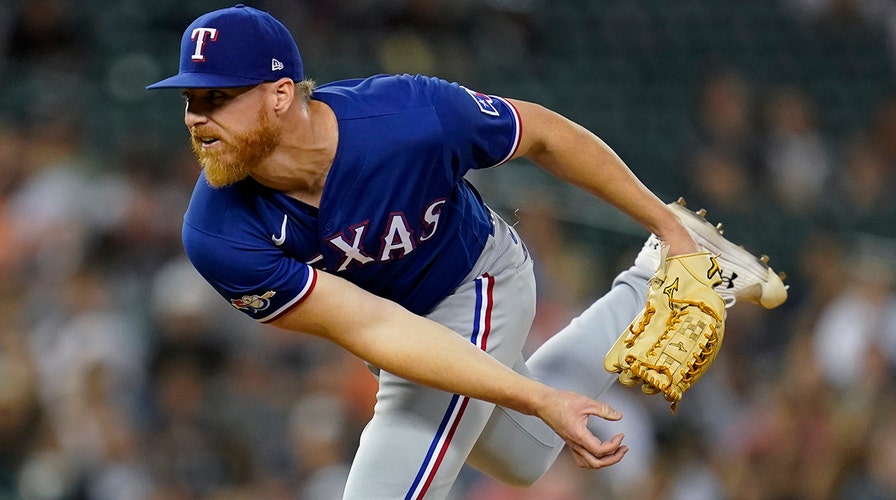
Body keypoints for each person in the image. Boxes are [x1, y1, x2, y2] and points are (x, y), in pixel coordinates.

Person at [147, 5, 785, 498]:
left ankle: (678, 243)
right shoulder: (216, 234)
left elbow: (545, 135)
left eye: (217, 97)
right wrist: (537, 400)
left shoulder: (407, 117)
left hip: (477, 282)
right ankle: (647, 282)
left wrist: (667, 225)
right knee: (526, 455)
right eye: (189, 99)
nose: (196, 118)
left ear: (280, 94)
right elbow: (376, 328)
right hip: (402, 328)